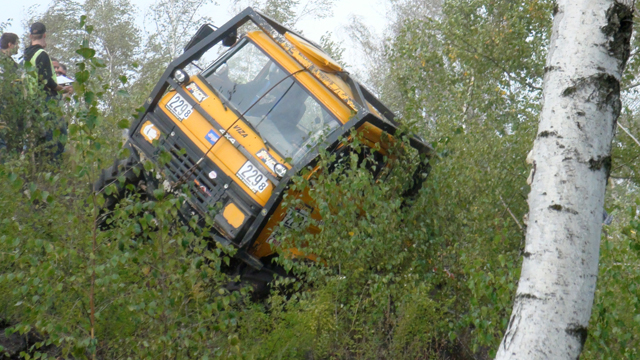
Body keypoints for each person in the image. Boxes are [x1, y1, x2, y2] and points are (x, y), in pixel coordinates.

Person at [23, 22, 72, 162]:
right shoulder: (42, 54)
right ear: (44, 35)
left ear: (30, 36)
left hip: (32, 100)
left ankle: (41, 168)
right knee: (57, 135)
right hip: (46, 101)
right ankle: (54, 166)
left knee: (40, 137)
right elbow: (47, 82)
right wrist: (64, 89)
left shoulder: (27, 54)